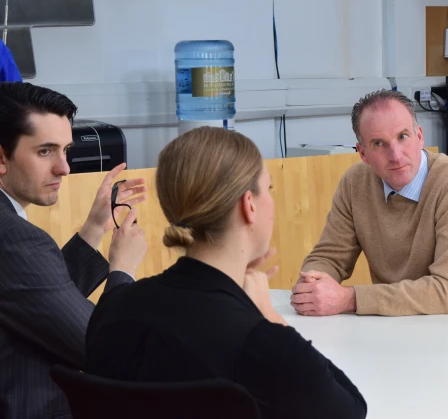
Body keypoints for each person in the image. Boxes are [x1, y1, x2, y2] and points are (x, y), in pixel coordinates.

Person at [85, 127, 367, 419]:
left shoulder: (113, 307)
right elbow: (350, 410)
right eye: (268, 189)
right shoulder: (258, 339)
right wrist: (269, 317)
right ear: (249, 206)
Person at [0, 82, 148, 419]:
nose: (64, 168)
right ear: (2, 157)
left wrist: (94, 228)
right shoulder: (15, 239)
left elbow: (36, 299)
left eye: (65, 150)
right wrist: (121, 270)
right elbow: (109, 353)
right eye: (45, 151)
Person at [292, 90, 448, 321]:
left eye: (403, 136)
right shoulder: (355, 182)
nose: (395, 155)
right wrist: (313, 285)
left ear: (419, 136)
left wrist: (350, 298)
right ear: (362, 153)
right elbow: (329, 256)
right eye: (379, 143)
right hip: (397, 323)